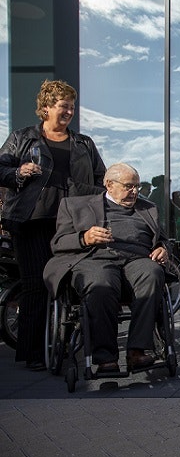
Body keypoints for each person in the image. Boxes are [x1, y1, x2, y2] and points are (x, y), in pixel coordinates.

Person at [0, 79, 106, 371]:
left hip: (73, 223)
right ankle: (33, 351)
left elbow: (101, 179)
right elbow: (1, 168)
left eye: (71, 106)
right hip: (33, 221)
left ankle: (68, 343)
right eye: (63, 106)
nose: (69, 111)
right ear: (45, 108)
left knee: (71, 284)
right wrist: (18, 171)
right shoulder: (22, 138)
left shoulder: (84, 143)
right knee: (37, 285)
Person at [43, 163, 168, 373]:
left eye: (137, 186)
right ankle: (105, 357)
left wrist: (163, 249)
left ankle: (137, 351)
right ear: (109, 185)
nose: (135, 191)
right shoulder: (74, 206)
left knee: (153, 273)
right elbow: (58, 243)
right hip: (95, 259)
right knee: (101, 284)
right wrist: (84, 237)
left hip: (137, 260)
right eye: (129, 186)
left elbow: (163, 241)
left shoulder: (148, 208)